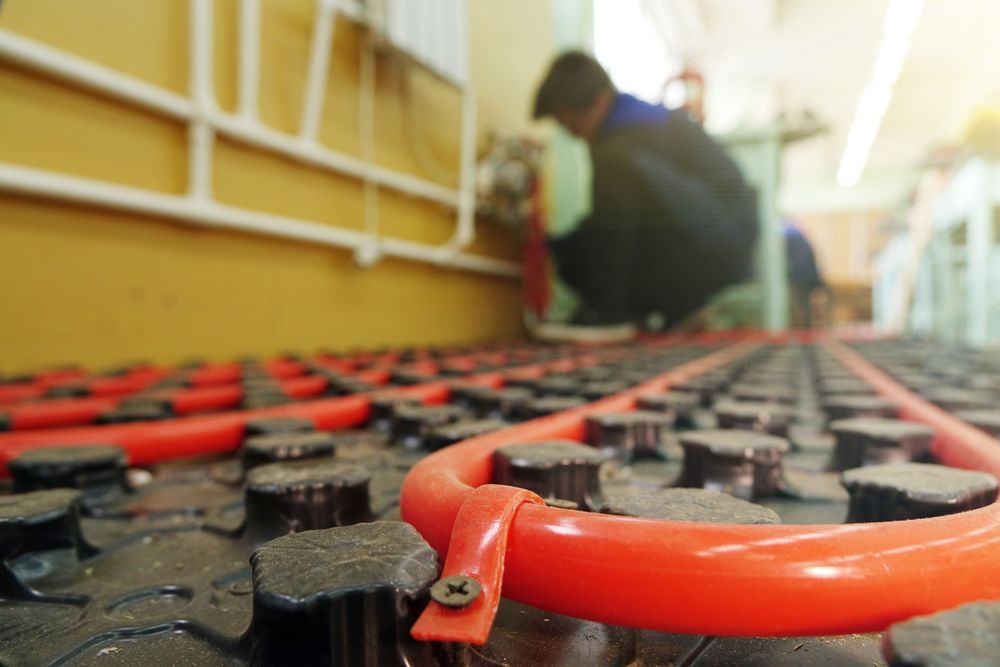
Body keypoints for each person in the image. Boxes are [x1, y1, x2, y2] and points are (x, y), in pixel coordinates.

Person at [533, 51, 758, 329]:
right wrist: (552, 245)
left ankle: (611, 316)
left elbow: (612, 229)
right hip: (713, 238)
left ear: (600, 102)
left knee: (609, 181)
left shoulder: (625, 139)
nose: (572, 135)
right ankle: (671, 311)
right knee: (574, 257)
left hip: (719, 243)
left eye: (572, 124)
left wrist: (605, 305)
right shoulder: (636, 125)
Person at [782, 218, 827, 328]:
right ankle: (805, 325)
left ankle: (803, 326)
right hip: (806, 279)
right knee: (803, 305)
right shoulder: (801, 238)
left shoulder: (791, 236)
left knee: (801, 305)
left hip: (800, 279)